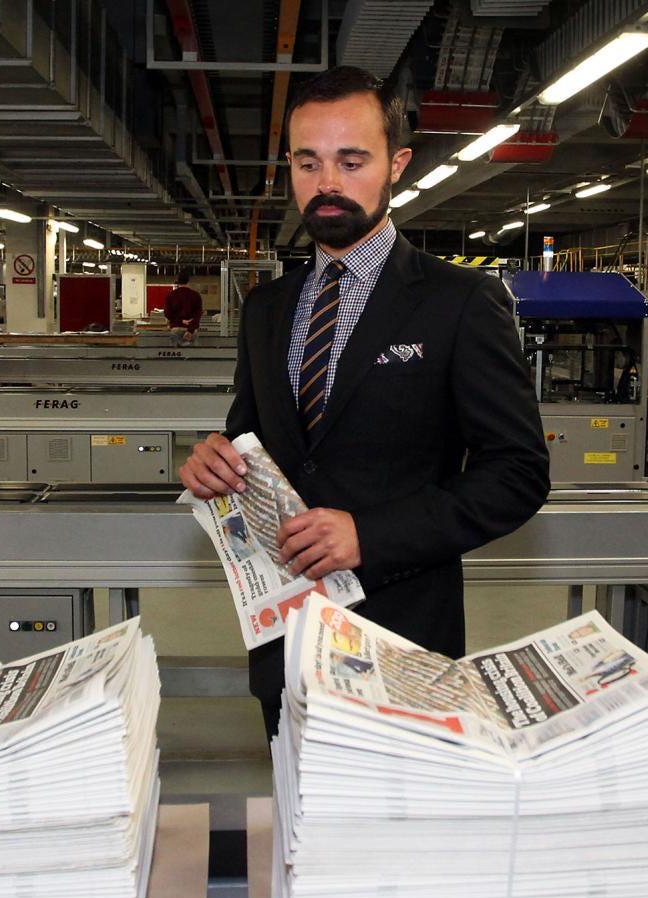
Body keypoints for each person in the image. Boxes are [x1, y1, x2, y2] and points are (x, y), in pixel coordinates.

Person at [177, 65, 549, 735]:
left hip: (402, 638)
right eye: (308, 162)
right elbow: (252, 440)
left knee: (397, 835)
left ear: (396, 163)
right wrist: (218, 461)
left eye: (352, 161)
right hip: (286, 637)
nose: (327, 184)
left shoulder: (458, 303)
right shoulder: (266, 309)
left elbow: (518, 473)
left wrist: (367, 535)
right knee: (296, 821)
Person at [163, 270, 203, 344]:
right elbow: (198, 314)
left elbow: (168, 314)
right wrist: (190, 330)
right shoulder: (196, 295)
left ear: (177, 281)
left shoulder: (170, 296)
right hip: (192, 330)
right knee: (194, 354)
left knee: (174, 354)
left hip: (176, 329)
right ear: (188, 281)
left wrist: (181, 321)